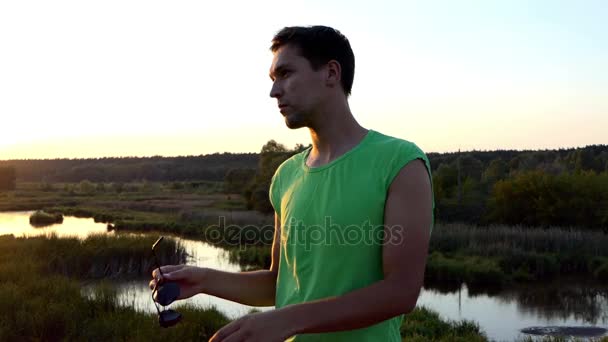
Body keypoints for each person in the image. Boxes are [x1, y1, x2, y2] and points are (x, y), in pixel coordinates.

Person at [150, 25, 434, 341]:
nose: (274, 92)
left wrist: (285, 321)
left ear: (331, 73)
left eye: (285, 74)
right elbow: (279, 282)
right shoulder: (286, 176)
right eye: (273, 80)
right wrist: (205, 279)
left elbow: (401, 292)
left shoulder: (400, 162)